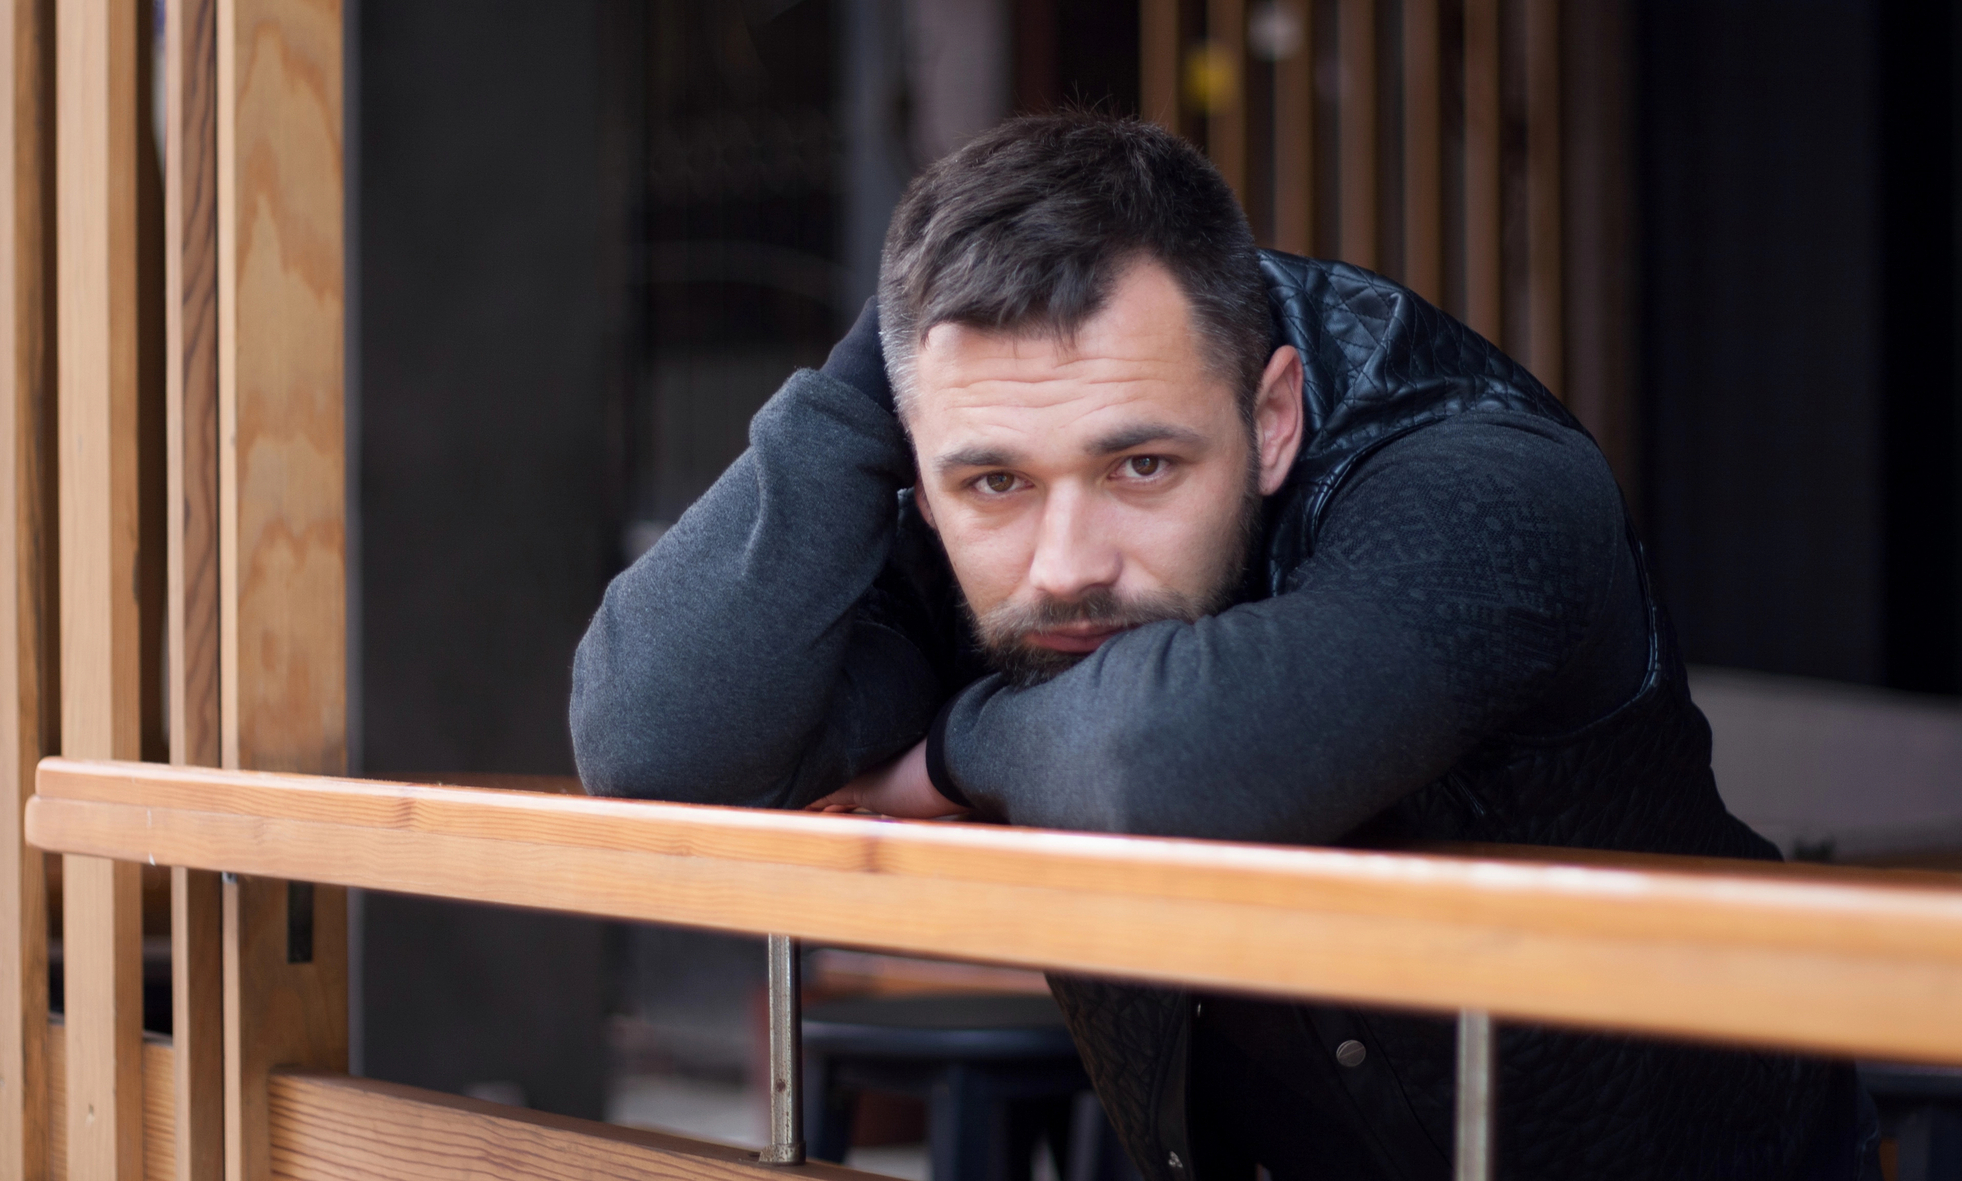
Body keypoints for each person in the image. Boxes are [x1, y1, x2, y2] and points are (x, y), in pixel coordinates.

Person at [570, 114, 1875, 1181]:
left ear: (1271, 416)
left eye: (1142, 463)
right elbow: (651, 742)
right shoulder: (965, 491)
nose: (1066, 559)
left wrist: (962, 748)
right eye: (993, 481)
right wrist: (874, 385)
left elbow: (1164, 768)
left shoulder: (1478, 478)